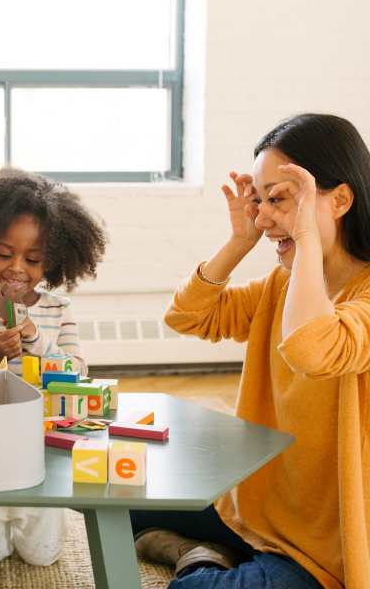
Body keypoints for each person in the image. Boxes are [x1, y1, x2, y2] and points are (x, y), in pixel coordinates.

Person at [135, 113, 370, 588]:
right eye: (258, 201)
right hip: (260, 510)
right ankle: (211, 549)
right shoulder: (281, 285)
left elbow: (312, 348)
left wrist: (303, 239)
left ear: (341, 199)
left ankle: (199, 558)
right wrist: (240, 241)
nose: (263, 218)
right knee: (126, 502)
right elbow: (189, 317)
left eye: (280, 199)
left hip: (325, 546)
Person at [0, 167, 107, 566]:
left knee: (42, 554)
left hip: (42, 434)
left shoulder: (59, 310)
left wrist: (35, 339)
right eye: (4, 254)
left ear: (52, 262)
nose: (17, 267)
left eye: (33, 259)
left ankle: (35, 520)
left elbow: (78, 372)